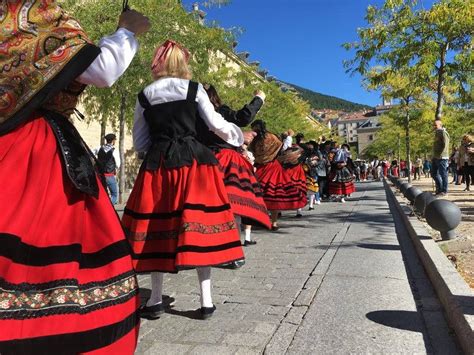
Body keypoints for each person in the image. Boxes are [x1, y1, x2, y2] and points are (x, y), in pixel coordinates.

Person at [0, 2, 150, 353]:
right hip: (35, 150)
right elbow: (101, 70)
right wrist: (126, 30)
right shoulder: (35, 10)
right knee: (48, 249)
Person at [122, 40, 245, 321]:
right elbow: (215, 125)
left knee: (156, 227)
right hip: (194, 164)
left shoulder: (145, 95)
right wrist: (237, 136)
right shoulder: (194, 89)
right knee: (200, 228)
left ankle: (154, 299)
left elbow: (140, 140)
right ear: (183, 62)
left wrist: (155, 148)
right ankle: (206, 301)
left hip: (159, 165)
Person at [201, 84, 271, 252]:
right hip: (225, 160)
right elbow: (243, 117)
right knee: (235, 203)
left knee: (207, 204)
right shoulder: (219, 111)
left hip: (202, 160)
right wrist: (259, 98)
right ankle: (233, 245)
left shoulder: (193, 114)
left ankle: (209, 241)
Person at [249, 120, 307, 230]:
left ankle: (268, 221)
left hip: (265, 167)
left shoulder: (258, 139)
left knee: (265, 194)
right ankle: (271, 222)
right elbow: (283, 148)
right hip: (268, 167)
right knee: (270, 195)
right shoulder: (269, 137)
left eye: (253, 127)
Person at [97, 133, 121, 204]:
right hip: (109, 175)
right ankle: (107, 208)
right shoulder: (114, 150)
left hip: (100, 175)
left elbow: (93, 155)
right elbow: (118, 164)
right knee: (114, 195)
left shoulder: (99, 148)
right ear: (113, 141)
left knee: (103, 195)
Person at [431, 119, 450, 195]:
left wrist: (440, 155)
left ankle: (444, 191)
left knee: (443, 174)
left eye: (436, 125)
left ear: (440, 125)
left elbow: (446, 145)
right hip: (435, 157)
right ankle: (439, 189)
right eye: (434, 125)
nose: (434, 126)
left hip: (442, 157)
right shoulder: (436, 133)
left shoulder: (443, 133)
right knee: (433, 173)